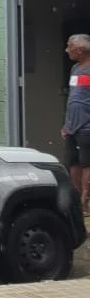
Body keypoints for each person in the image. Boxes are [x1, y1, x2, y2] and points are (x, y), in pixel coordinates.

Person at [63, 34, 90, 209]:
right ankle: (77, 199)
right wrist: (66, 124)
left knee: (87, 163)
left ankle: (86, 201)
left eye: (69, 46)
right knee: (73, 161)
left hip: (87, 126)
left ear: (80, 49)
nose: (67, 50)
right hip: (72, 126)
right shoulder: (75, 69)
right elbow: (73, 98)